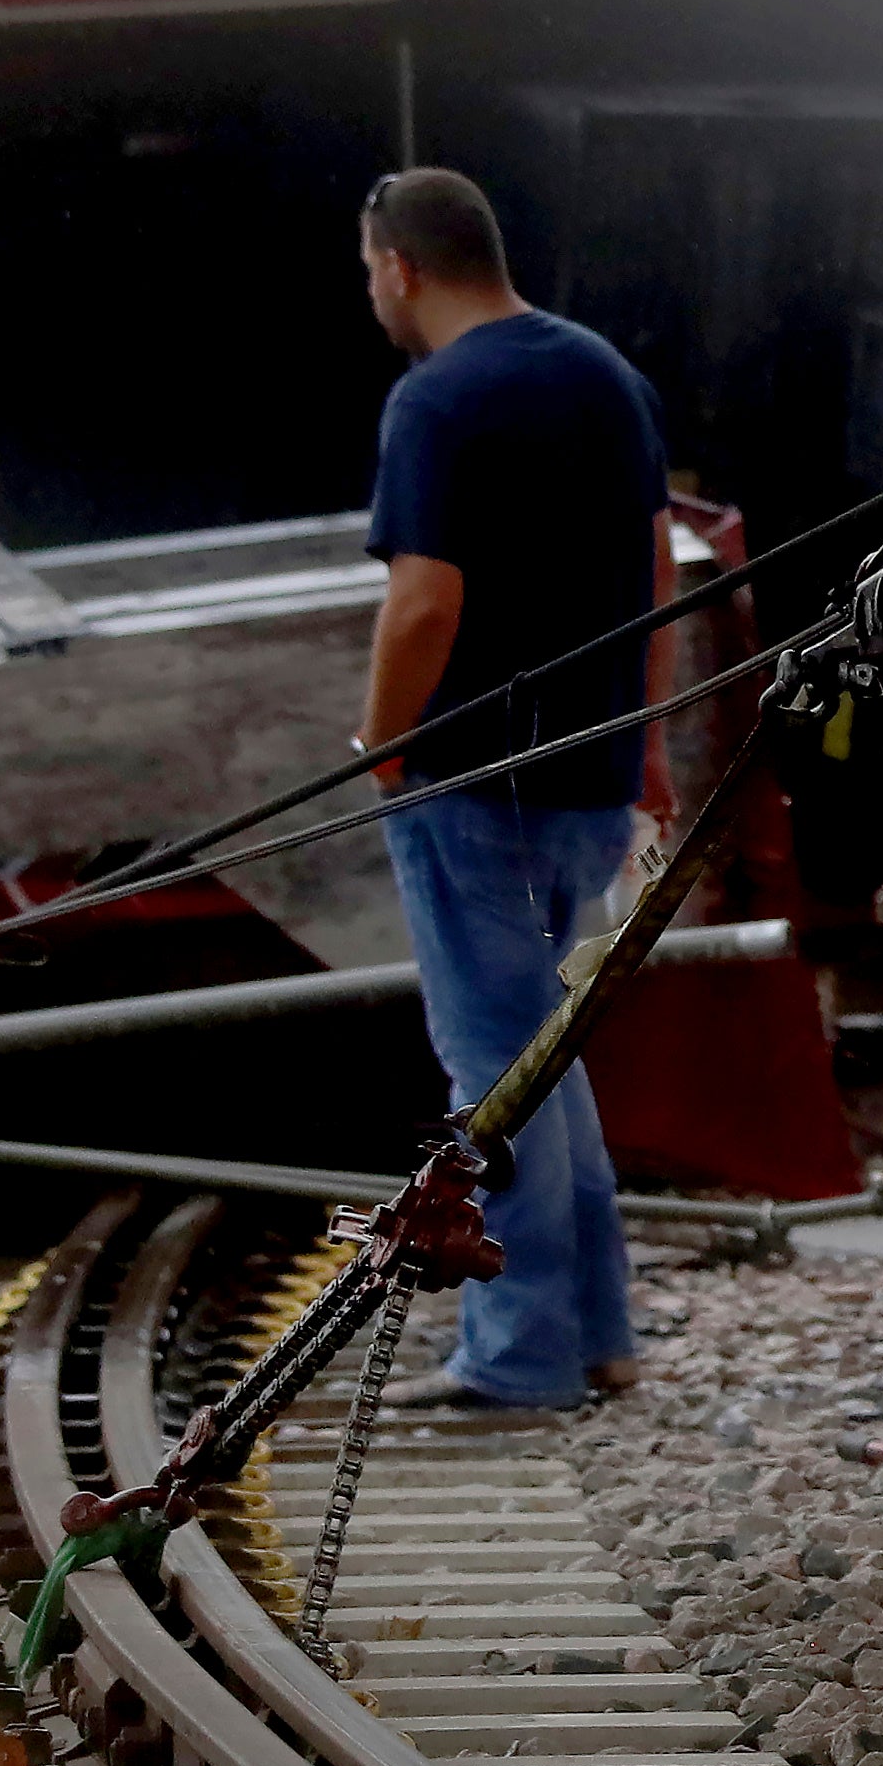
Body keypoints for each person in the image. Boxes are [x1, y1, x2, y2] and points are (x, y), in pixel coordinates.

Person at [354, 167, 667, 1415]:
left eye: (368, 267)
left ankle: (518, 1357)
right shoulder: (604, 371)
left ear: (400, 266)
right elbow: (656, 567)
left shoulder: (433, 400)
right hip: (593, 771)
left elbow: (427, 600)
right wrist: (644, 736)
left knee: (492, 1068)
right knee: (549, 1059)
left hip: (476, 783)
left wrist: (381, 737)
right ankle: (599, 1335)